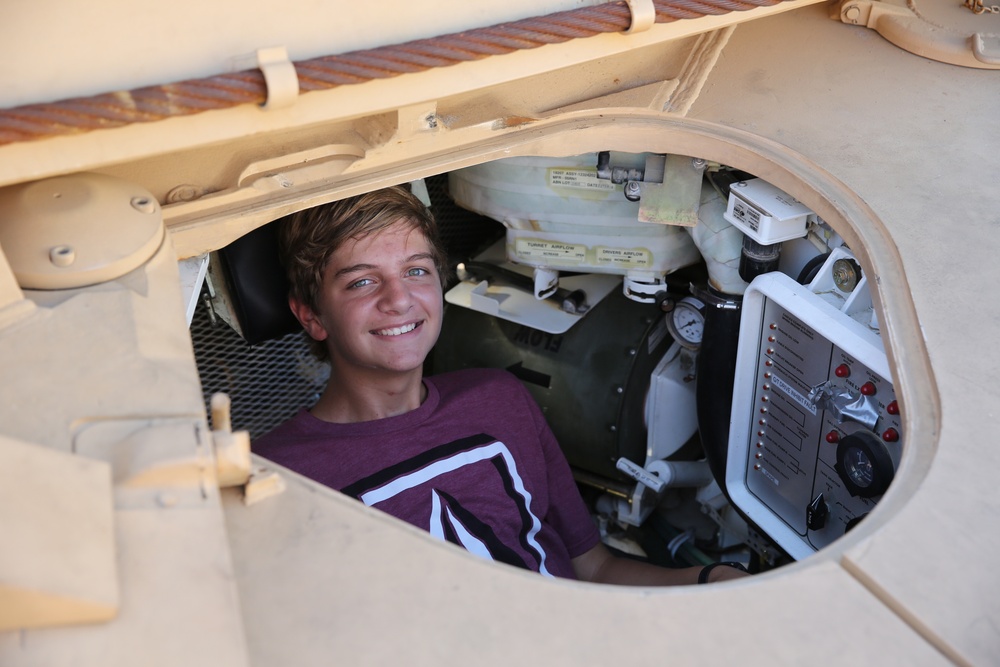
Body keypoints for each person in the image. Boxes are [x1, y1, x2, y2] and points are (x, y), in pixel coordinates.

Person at [253, 185, 748, 585]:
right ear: (311, 315)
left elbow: (593, 568)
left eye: (417, 271)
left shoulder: (498, 398)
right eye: (362, 281)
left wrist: (706, 580)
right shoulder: (273, 476)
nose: (400, 300)